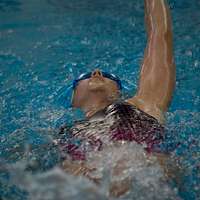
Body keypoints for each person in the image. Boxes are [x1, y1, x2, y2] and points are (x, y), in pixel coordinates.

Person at [55, 0, 176, 197]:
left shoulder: (145, 103)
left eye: (110, 77)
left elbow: (159, 36)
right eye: (84, 77)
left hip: (147, 177)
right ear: (73, 100)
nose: (96, 72)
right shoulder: (63, 132)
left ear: (119, 92)